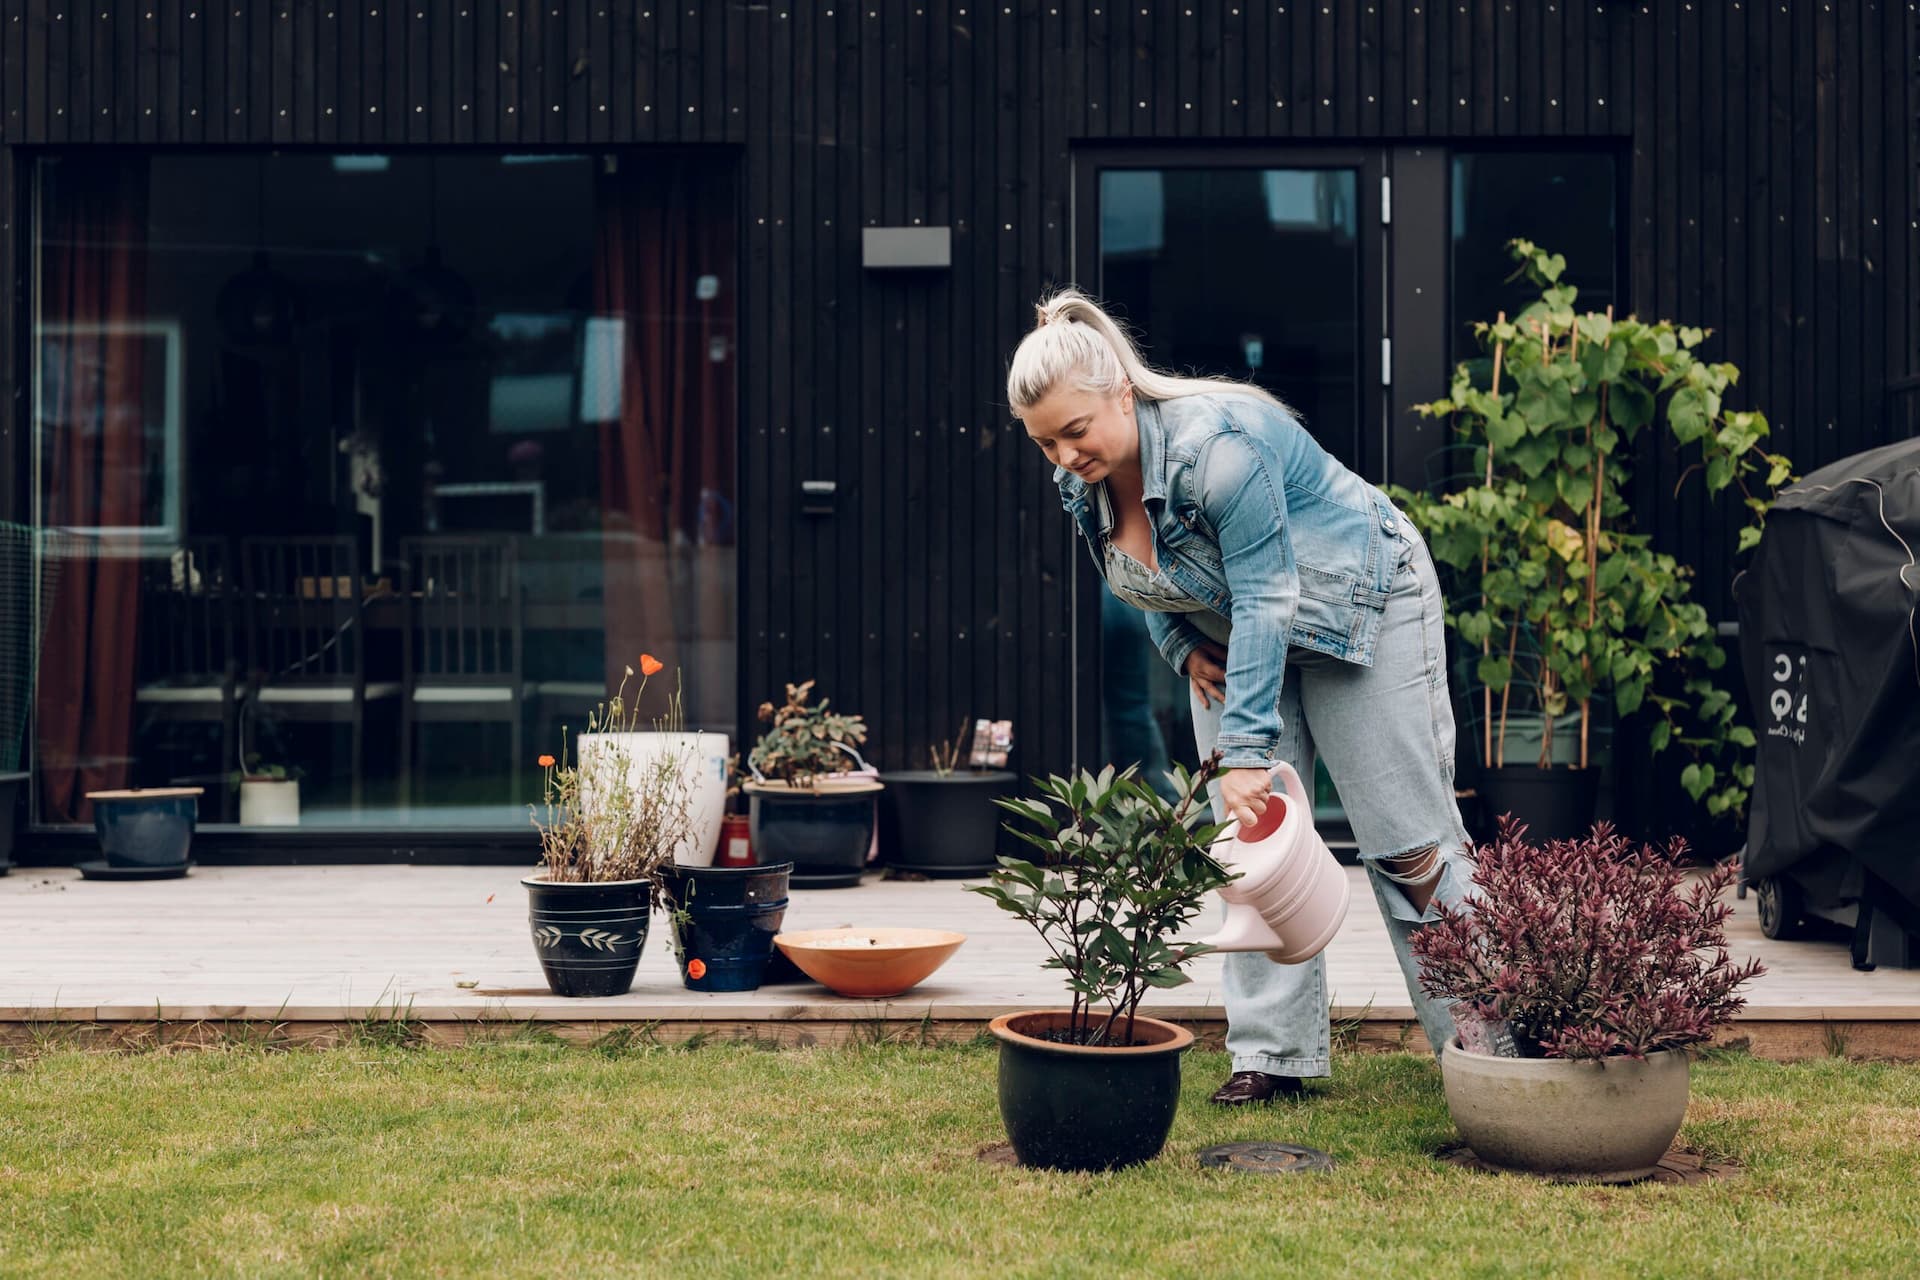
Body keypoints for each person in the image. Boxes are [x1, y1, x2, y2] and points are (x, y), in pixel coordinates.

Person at [1007, 288, 1472, 1105]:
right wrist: (1182, 646)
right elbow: (1139, 578)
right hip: (1240, 630)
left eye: (1075, 433)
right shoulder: (1082, 482)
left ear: (1121, 388)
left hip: (1356, 603)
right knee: (1251, 853)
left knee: (1407, 844)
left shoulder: (1218, 446)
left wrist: (1246, 754)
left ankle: (1487, 1038)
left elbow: (1269, 595)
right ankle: (1273, 1056)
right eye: (1044, 443)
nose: (1063, 457)